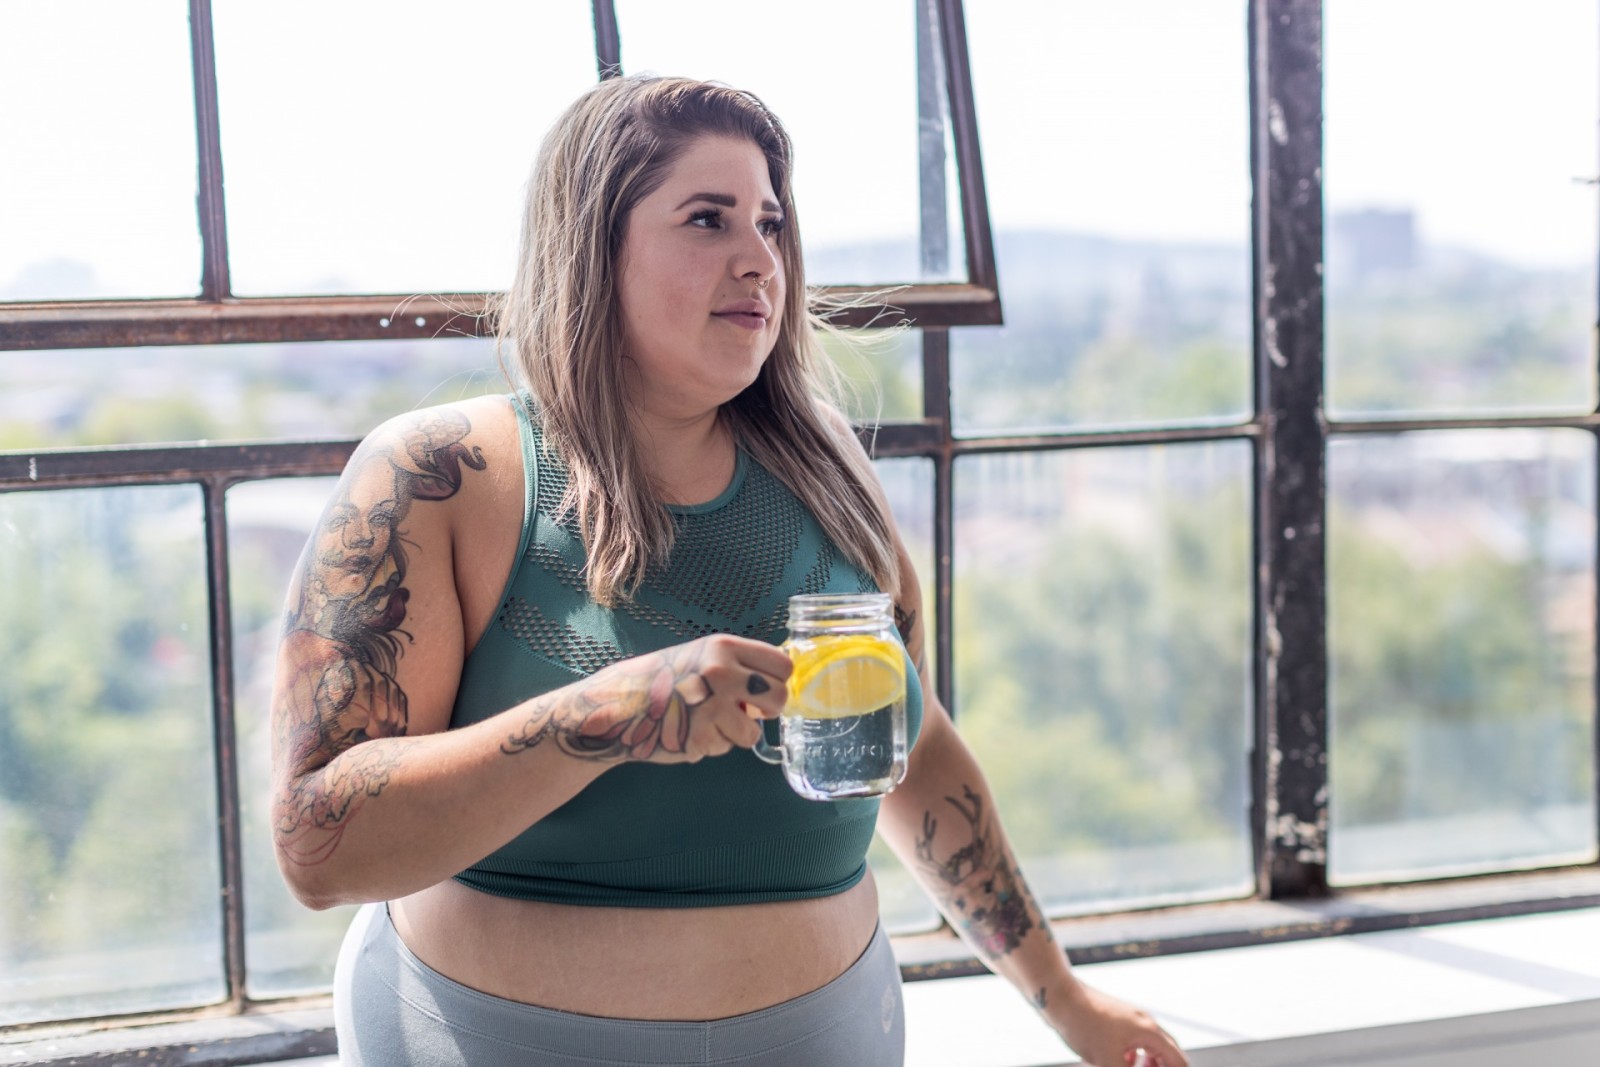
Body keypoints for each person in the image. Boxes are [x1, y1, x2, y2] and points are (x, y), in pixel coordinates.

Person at [269, 73, 1188, 1067]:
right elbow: (317, 842)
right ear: (592, 248)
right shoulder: (444, 474)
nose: (760, 259)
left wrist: (1066, 1001)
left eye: (770, 222)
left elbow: (914, 750)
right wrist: (610, 713)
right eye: (708, 219)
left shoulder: (829, 463)